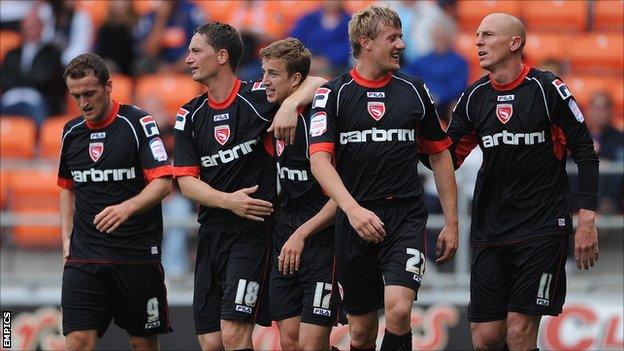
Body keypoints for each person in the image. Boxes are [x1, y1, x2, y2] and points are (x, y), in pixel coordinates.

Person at [445, 13, 600, 350]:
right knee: (486, 338)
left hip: (541, 227)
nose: (478, 42)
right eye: (476, 35)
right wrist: (420, 130)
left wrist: (586, 218)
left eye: (487, 35)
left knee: (518, 332)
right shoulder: (474, 97)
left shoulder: (548, 90)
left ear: (514, 43)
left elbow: (586, 152)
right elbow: (447, 159)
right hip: (490, 229)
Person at [309, 5, 459, 351]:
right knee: (360, 332)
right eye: (393, 37)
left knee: (399, 310)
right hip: (354, 221)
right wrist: (352, 210)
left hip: (403, 218)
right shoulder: (334, 94)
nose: (402, 45)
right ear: (366, 42)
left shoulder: (415, 90)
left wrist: (451, 222)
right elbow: (319, 162)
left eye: (401, 36)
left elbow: (438, 154)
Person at [173, 22, 324, 350]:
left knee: (233, 331)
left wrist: (288, 105)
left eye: (196, 51)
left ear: (222, 56)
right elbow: (186, 182)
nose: (188, 59)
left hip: (253, 232)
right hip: (211, 233)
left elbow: (318, 82)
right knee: (211, 341)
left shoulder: (259, 97)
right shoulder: (189, 114)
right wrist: (228, 201)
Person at [57, 53, 173, 351]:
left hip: (135, 255)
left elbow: (162, 184)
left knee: (142, 344)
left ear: (109, 86)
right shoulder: (71, 132)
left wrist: (127, 207)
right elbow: (67, 188)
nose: (83, 103)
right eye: (76, 96)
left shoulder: (137, 123)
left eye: (89, 93)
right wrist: (66, 239)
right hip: (85, 257)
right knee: (77, 342)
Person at [259, 37, 340, 351]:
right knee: (290, 342)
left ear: (295, 80)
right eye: (264, 72)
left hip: (321, 241)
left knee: (311, 344)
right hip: (284, 237)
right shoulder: (268, 108)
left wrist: (302, 234)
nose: (264, 81)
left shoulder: (319, 121)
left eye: (273, 74)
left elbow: (340, 196)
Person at [1, 9, 65, 125]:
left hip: (37, 98)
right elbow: (5, 78)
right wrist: (29, 79)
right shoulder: (12, 53)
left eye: (33, 26)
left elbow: (46, 78)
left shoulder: (51, 53)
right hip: (11, 96)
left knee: (38, 116)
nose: (30, 29)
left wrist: (21, 78)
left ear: (41, 27)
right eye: (27, 26)